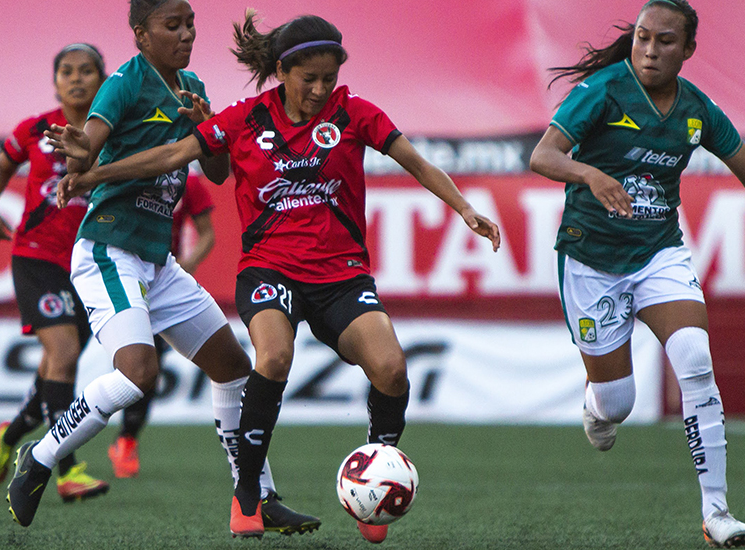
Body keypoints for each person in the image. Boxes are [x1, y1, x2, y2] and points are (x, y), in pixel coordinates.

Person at [49, 10, 502, 542]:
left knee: (393, 370)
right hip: (269, 268)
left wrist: (464, 209)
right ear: (282, 73)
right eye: (308, 79)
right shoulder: (244, 117)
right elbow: (176, 153)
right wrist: (95, 173)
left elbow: (416, 162)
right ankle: (247, 495)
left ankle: (374, 482)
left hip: (341, 275)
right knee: (273, 358)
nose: (318, 89)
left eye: (328, 79)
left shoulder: (353, 113)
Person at [5, 0, 319, 536]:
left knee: (234, 368)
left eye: (190, 23)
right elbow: (87, 153)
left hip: (157, 263)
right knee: (139, 375)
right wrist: (81, 154)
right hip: (107, 251)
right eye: (172, 25)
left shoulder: (191, 83)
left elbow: (217, 172)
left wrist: (203, 125)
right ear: (140, 34)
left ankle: (256, 500)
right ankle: (40, 456)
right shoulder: (124, 83)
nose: (186, 34)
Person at [528, 1, 745, 547]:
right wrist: (591, 174)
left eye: (665, 42)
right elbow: (543, 154)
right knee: (617, 405)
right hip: (592, 262)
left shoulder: (699, 110)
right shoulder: (604, 91)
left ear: (688, 50)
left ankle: (717, 512)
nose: (651, 51)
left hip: (659, 254)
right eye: (643, 39)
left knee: (697, 361)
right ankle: (596, 405)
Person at [0, 43, 110, 503]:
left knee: (55, 367)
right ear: (55, 82)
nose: (77, 79)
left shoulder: (114, 133)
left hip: (89, 262)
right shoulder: (34, 128)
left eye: (87, 71)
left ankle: (9, 437)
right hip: (36, 256)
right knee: (65, 352)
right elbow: (1, 165)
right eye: (67, 72)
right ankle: (67, 468)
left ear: (103, 78)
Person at [107, 171, 216, 478]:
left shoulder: (189, 182)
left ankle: (127, 438)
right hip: (116, 272)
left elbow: (207, 234)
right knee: (69, 353)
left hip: (158, 283)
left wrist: (188, 264)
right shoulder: (131, 167)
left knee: (146, 367)